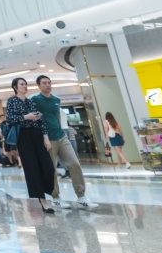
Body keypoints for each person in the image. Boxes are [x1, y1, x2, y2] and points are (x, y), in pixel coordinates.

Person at [31, 76, 98, 209]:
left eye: (49, 82)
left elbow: (57, 117)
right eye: (44, 83)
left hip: (61, 136)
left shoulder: (56, 99)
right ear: (39, 85)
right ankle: (55, 197)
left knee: (74, 163)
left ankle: (81, 197)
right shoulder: (34, 99)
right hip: (47, 139)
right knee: (52, 169)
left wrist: (63, 129)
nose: (48, 85)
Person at [6, 77, 56, 213]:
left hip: (37, 135)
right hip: (23, 136)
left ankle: (46, 191)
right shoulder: (12, 101)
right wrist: (25, 117)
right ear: (15, 87)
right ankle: (42, 200)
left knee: (48, 167)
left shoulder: (31, 101)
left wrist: (45, 137)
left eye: (26, 84)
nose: (25, 86)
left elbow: (41, 120)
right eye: (22, 84)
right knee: (32, 168)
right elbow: (9, 118)